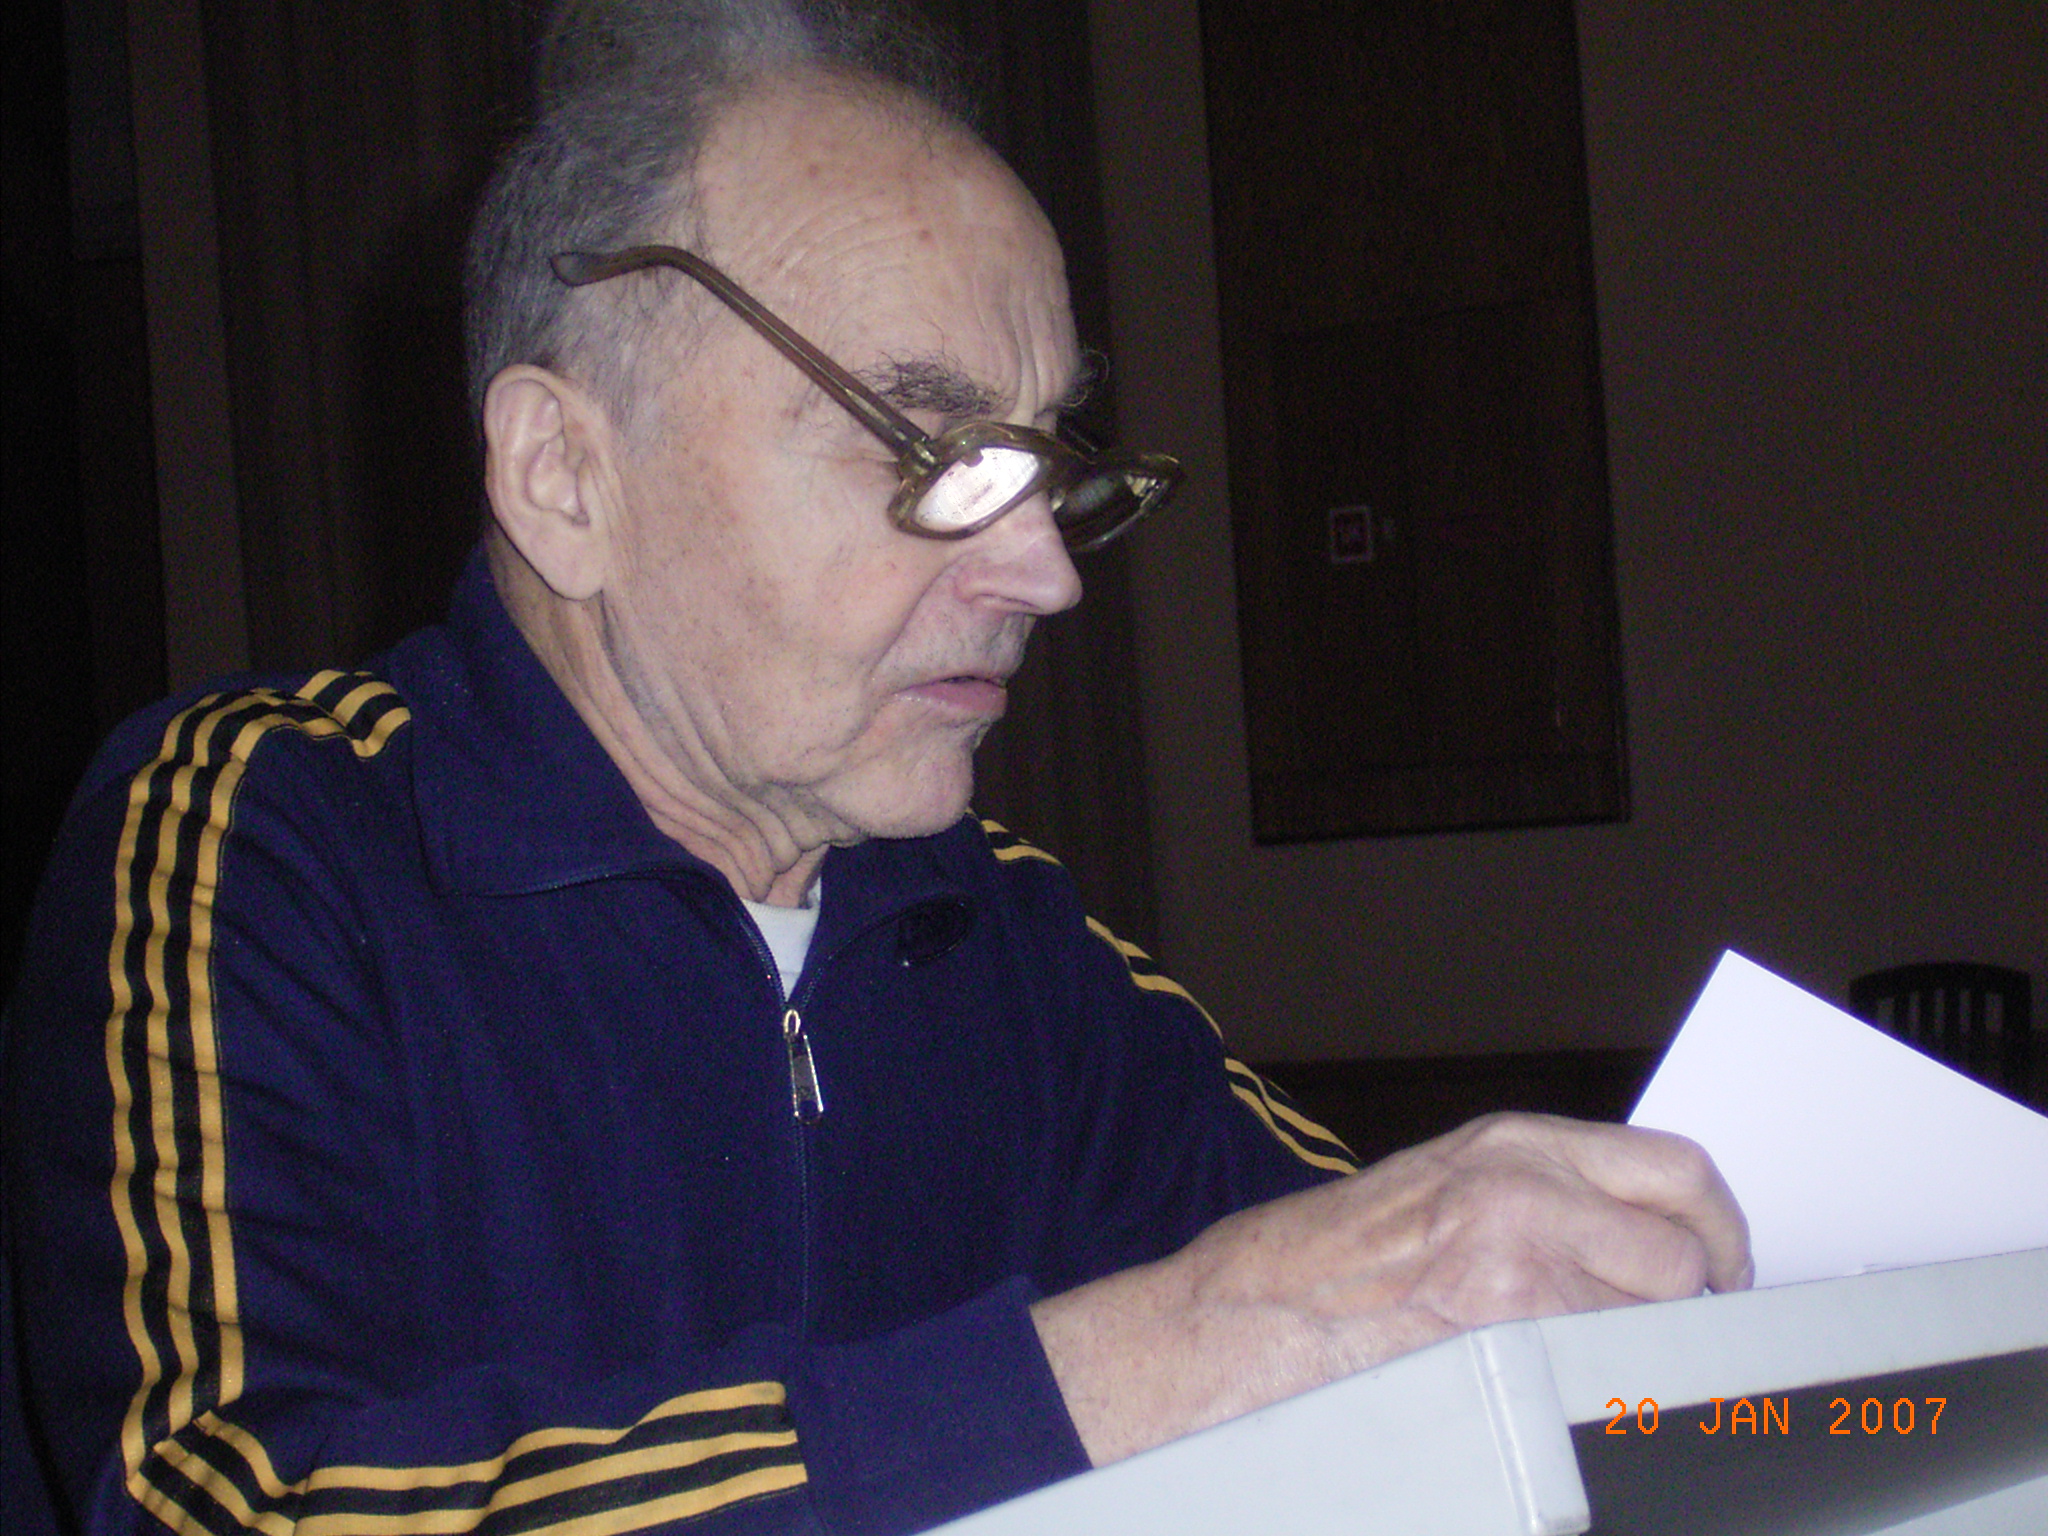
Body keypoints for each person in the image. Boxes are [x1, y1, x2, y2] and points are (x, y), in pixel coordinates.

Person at [2, 2, 1749, 1533]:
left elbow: (1378, 1280)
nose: (1047, 573)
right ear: (562, 476)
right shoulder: (264, 837)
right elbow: (232, 1507)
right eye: (928, 447)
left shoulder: (1005, 934)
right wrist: (1187, 1346)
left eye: (1046, 463)